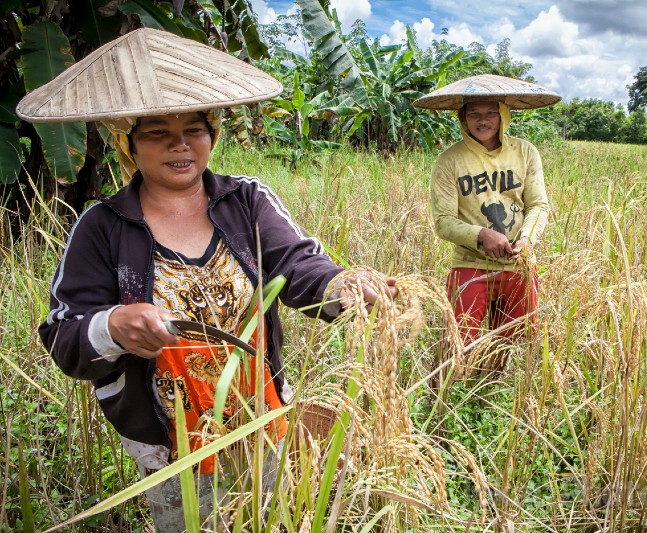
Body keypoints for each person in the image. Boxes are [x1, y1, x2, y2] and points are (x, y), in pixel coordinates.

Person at [18, 28, 396, 530]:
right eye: (157, 132)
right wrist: (112, 327)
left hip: (259, 412)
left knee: (267, 514)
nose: (180, 144)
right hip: (168, 433)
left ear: (212, 135)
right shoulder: (102, 227)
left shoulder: (245, 201)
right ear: (129, 144)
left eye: (194, 129)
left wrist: (340, 287)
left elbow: (299, 264)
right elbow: (64, 332)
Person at [413, 74, 560, 348]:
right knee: (457, 347)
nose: (483, 120)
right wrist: (482, 235)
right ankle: (452, 389)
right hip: (470, 265)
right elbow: (443, 222)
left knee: (513, 347)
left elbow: (538, 205)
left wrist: (526, 240)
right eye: (475, 113)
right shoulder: (449, 161)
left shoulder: (526, 152)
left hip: (519, 265)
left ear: (503, 115)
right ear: (463, 118)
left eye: (491, 112)